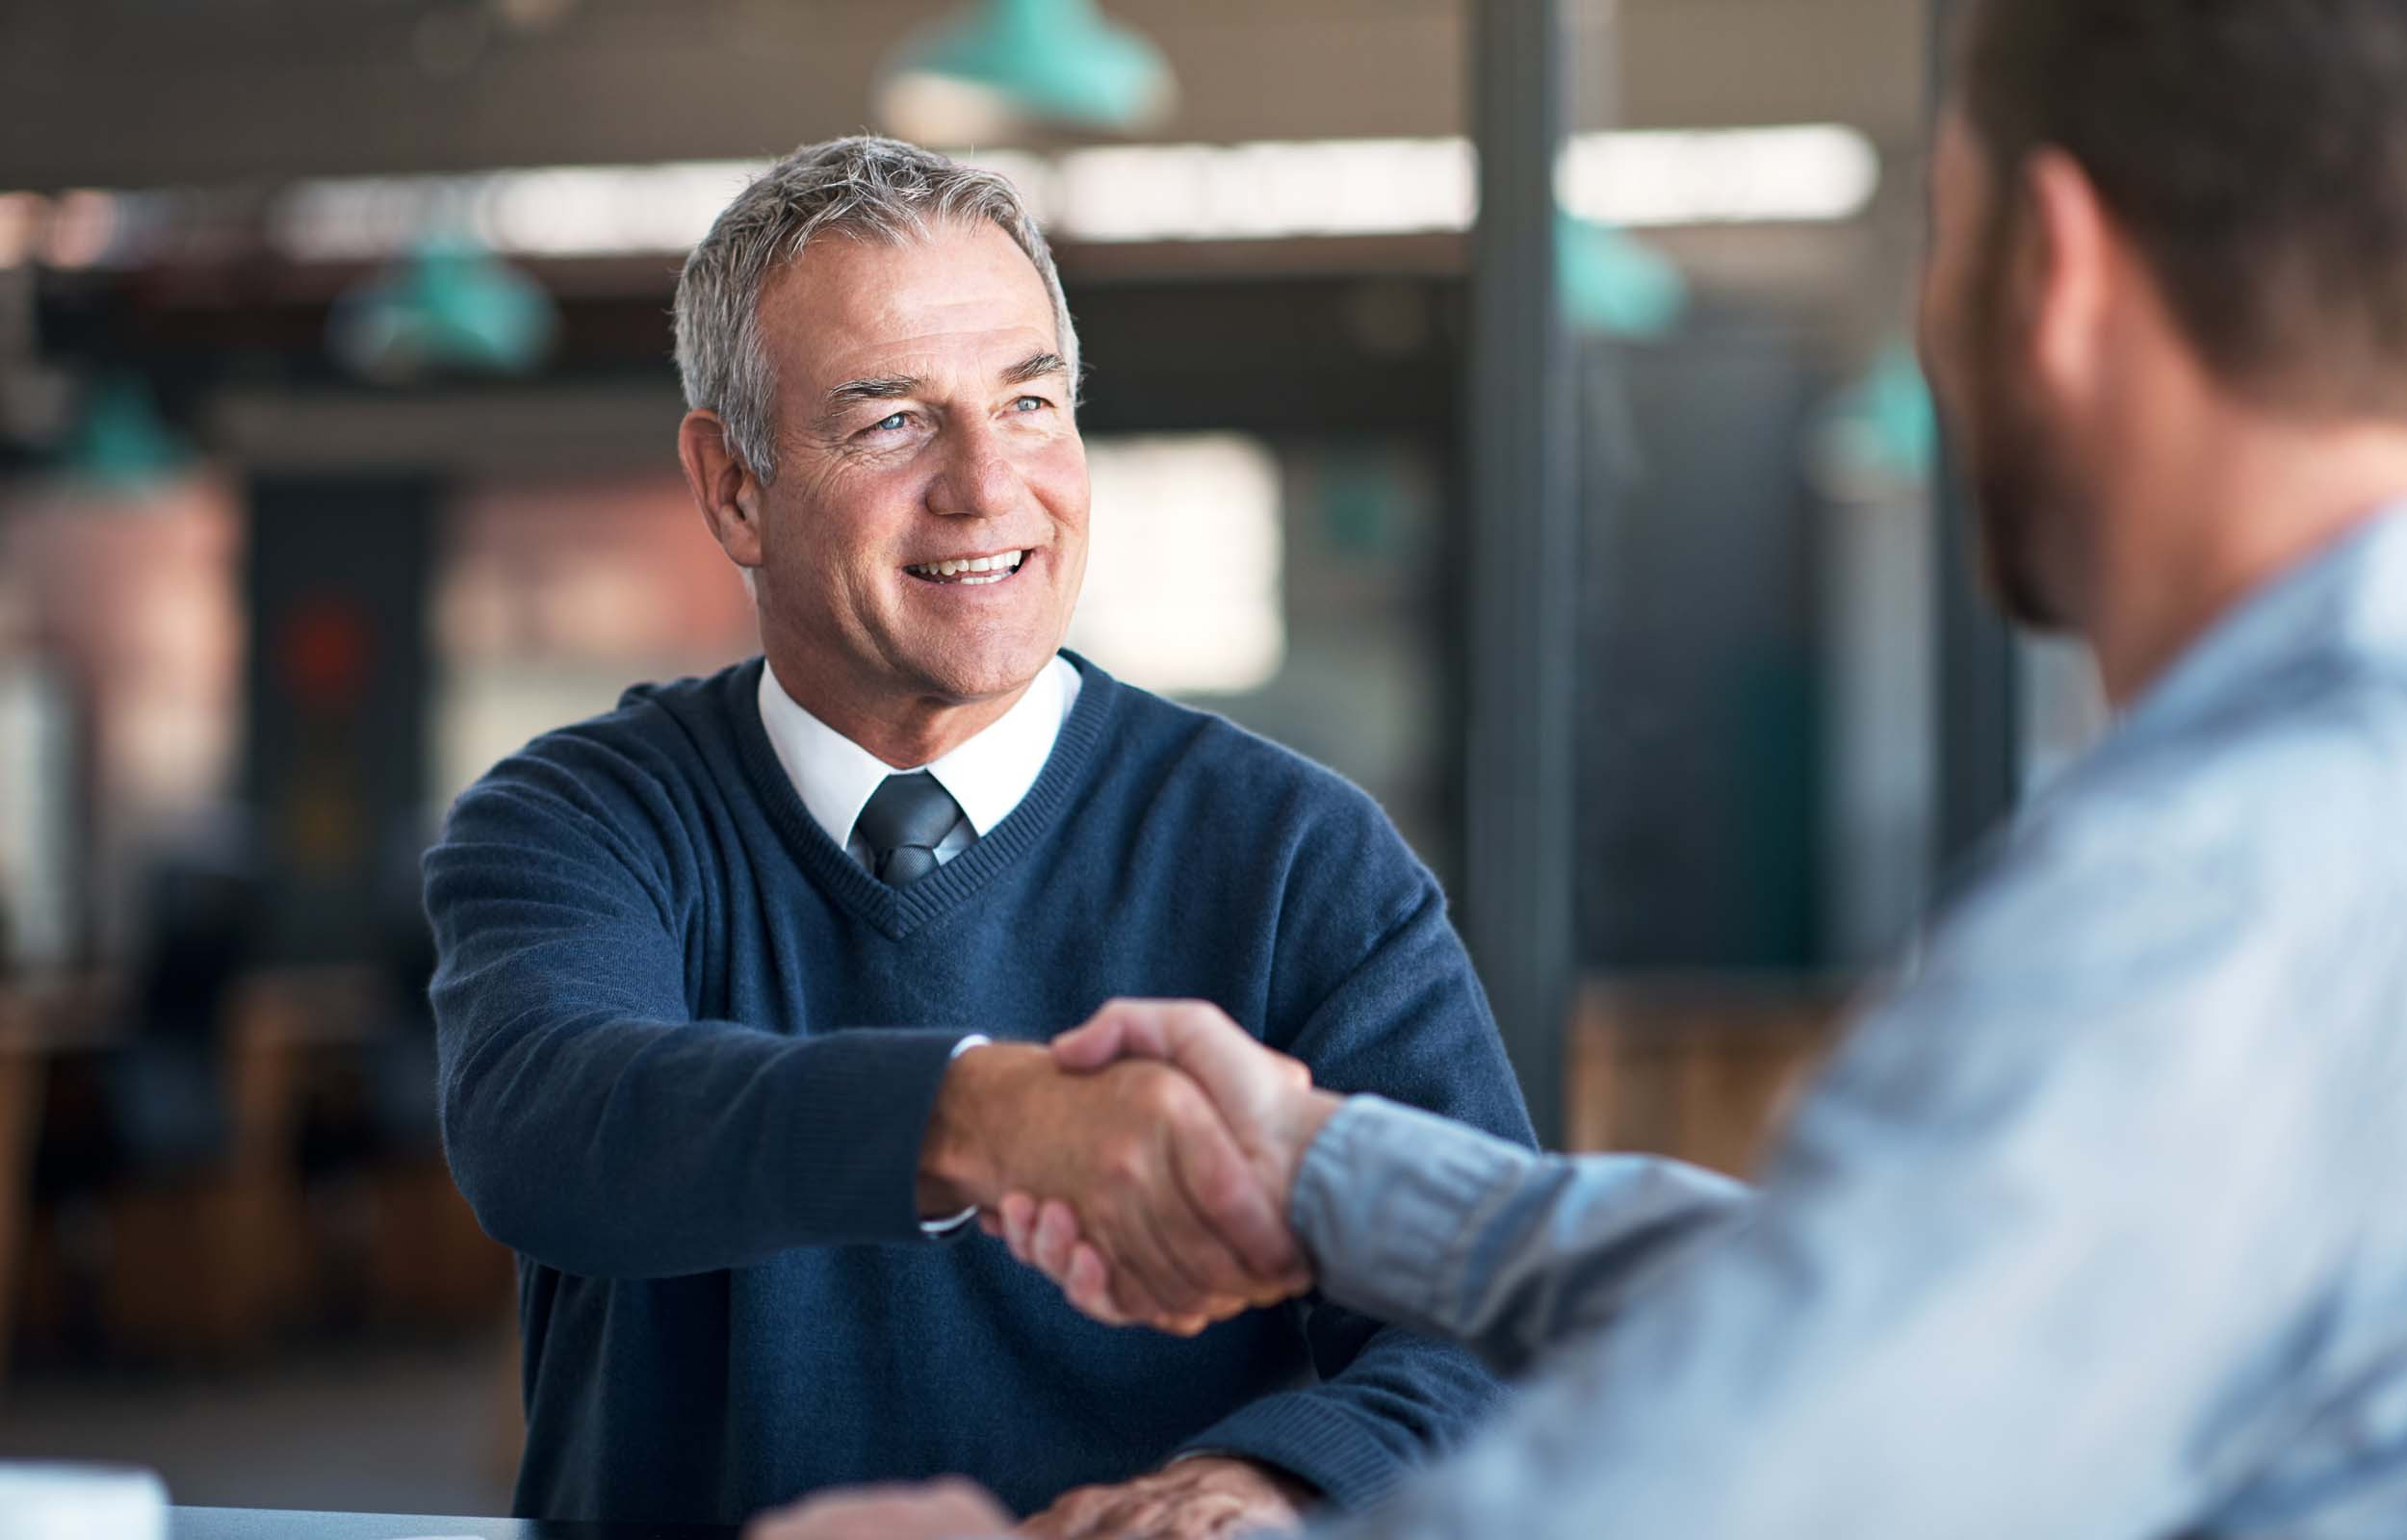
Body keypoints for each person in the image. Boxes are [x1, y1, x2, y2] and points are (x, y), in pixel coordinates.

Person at [744, 1, 2407, 1535]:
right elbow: (1844, 1290)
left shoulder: (2222, 878)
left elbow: (1755, 1482)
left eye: (1942, 237)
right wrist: (1328, 1162)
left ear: (2051, 270)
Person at [421, 136, 1534, 1533]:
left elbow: (1485, 1319)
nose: (985, 487)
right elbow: (553, 1124)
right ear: (733, 489)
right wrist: (989, 1116)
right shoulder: (583, 822)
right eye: (891, 420)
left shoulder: (1297, 858)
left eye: (1028, 403)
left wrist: (1265, 1478)